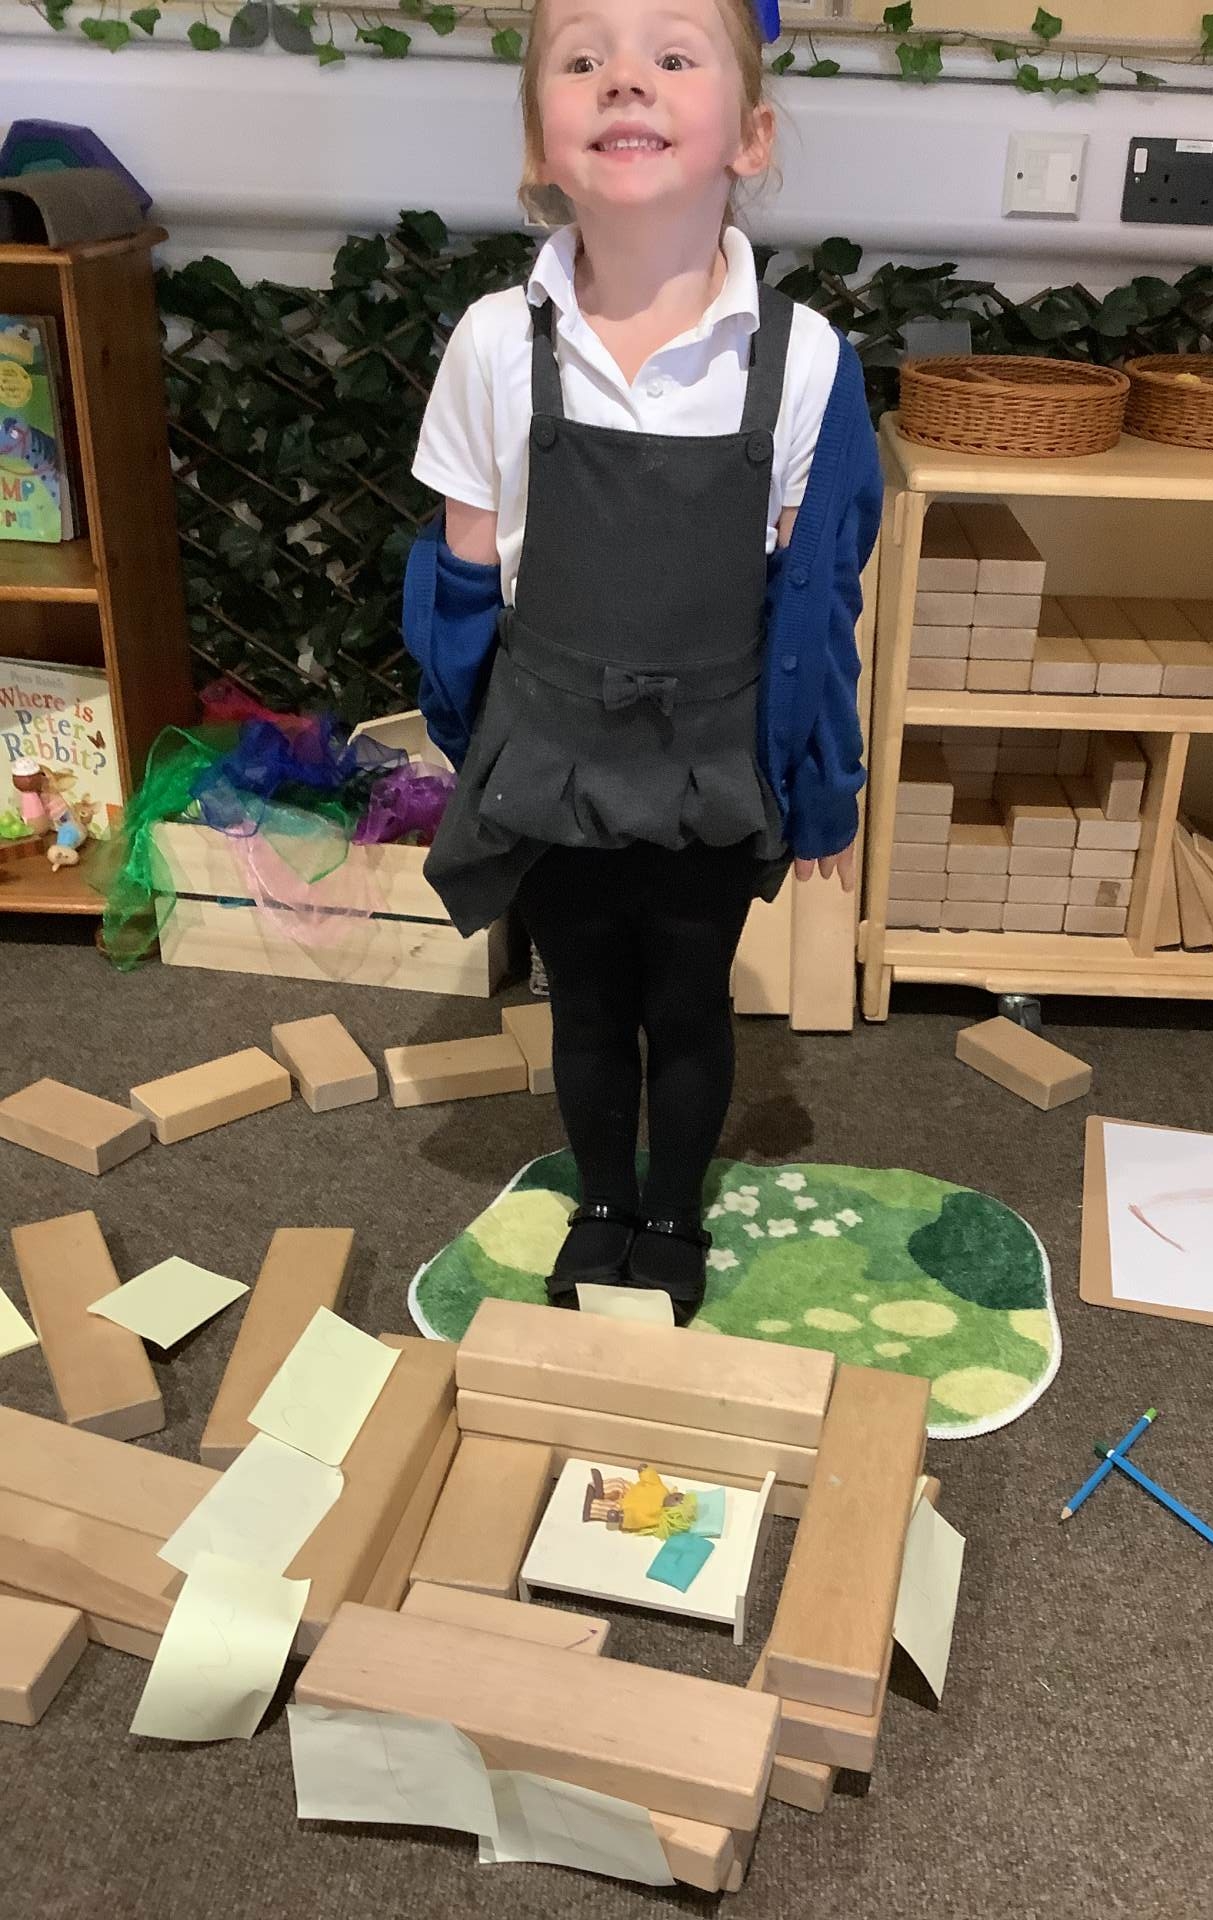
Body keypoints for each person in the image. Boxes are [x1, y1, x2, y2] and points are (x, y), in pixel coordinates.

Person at [403, 0, 882, 1324]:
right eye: (583, 58)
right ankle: (601, 1200)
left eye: (673, 54)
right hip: (550, 754)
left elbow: (816, 606)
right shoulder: (494, 344)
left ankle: (672, 1215)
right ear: (538, 142)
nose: (626, 77)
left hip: (710, 767)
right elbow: (457, 582)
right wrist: (478, 754)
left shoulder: (802, 361)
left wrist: (823, 787)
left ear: (750, 135)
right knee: (582, 1003)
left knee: (689, 1000)